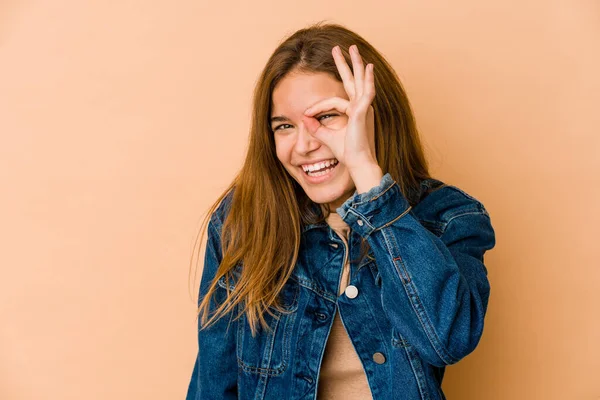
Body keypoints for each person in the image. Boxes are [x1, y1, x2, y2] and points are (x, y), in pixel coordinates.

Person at [185, 21, 496, 400]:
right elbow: (214, 383)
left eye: (327, 116)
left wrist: (367, 174)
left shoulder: (448, 216)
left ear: (373, 116)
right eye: (284, 126)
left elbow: (447, 339)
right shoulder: (243, 221)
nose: (304, 145)